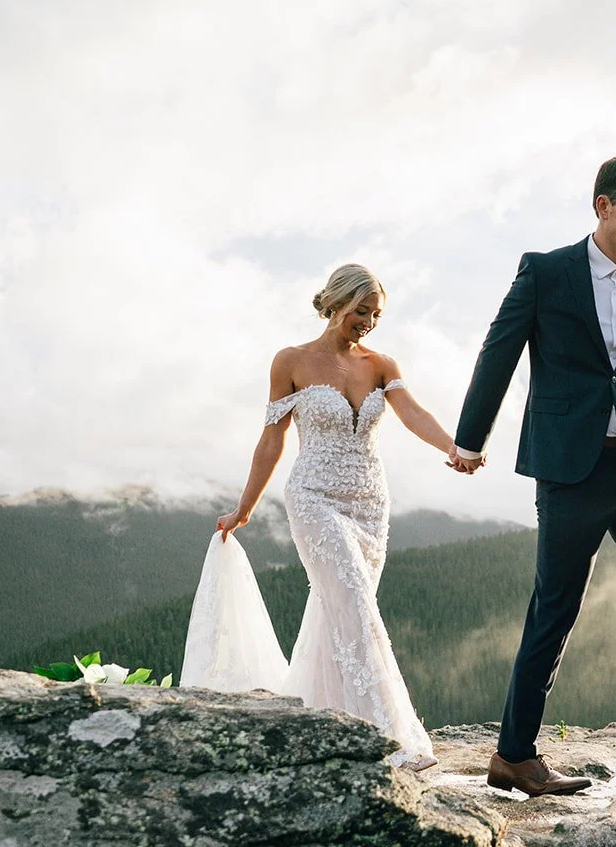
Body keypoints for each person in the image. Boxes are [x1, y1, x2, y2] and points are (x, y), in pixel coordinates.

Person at [450, 155, 616, 797]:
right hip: (568, 470)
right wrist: (469, 439)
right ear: (603, 205)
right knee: (555, 610)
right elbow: (499, 352)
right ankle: (514, 755)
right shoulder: (546, 272)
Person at [182, 264, 456, 771]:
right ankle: (391, 738)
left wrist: (453, 447)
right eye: (361, 311)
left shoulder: (381, 364)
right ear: (334, 304)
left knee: (339, 611)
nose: (368, 322)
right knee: (351, 598)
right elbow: (273, 438)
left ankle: (326, 720)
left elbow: (412, 412)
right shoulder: (291, 361)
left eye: (376, 314)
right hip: (314, 498)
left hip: (371, 506)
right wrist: (244, 508)